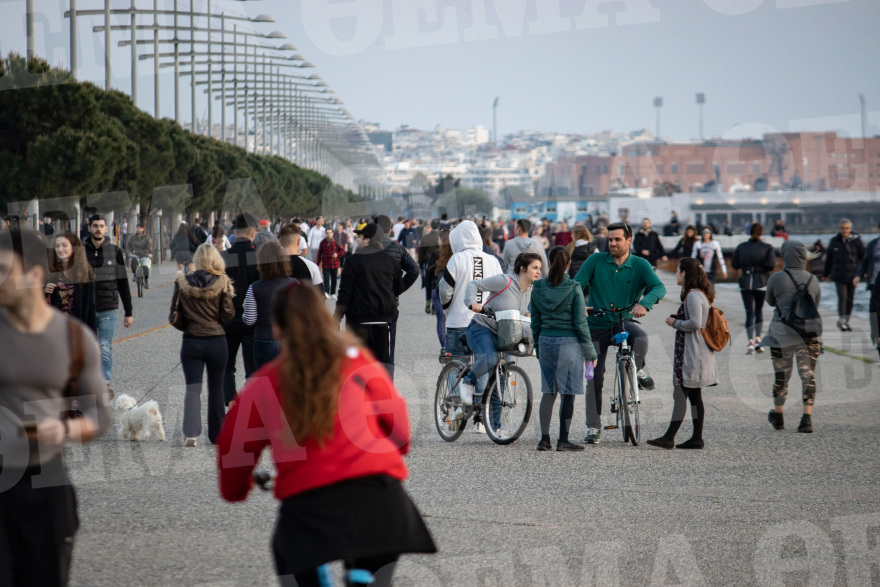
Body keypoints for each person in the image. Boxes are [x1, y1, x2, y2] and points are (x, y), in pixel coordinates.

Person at [217, 281, 436, 586]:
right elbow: (398, 423)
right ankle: (361, 578)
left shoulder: (264, 382)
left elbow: (234, 446)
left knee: (293, 562)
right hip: (381, 499)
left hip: (310, 506)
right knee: (372, 566)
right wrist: (392, 453)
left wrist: (236, 488)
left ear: (278, 329)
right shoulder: (358, 360)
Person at [0, 228, 109, 587]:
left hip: (47, 484)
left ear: (33, 276)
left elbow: (100, 418)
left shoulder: (76, 339)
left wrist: (63, 429)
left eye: (4, 270)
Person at [573, 222, 666, 444]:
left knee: (641, 338)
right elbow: (576, 285)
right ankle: (593, 427)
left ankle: (639, 369)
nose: (612, 243)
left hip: (623, 322)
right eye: (610, 239)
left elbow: (659, 287)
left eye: (617, 239)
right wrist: (579, 303)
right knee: (595, 378)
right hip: (596, 324)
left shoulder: (640, 264)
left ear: (628, 241)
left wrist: (645, 303)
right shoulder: (596, 260)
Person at [461, 253, 543, 430]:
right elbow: (474, 285)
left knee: (502, 378)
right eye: (535, 267)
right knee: (490, 359)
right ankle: (468, 380)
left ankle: (496, 427)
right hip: (481, 328)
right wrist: (472, 303)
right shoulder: (505, 281)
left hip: (506, 335)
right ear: (522, 268)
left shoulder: (529, 290)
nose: (539, 271)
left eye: (540, 268)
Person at [531, 247, 598, 452]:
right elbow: (580, 323)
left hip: (546, 341)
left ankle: (544, 439)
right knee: (568, 394)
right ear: (568, 263)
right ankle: (563, 439)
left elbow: (535, 323)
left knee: (548, 392)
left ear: (549, 261)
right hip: (569, 344)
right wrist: (590, 353)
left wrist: (538, 347)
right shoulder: (573, 287)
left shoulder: (538, 287)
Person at [647, 257, 718, 450]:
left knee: (680, 394)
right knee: (695, 395)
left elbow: (695, 323)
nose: (676, 275)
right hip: (696, 352)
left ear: (685, 273)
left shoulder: (694, 296)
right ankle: (696, 438)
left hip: (692, 354)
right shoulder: (699, 294)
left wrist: (675, 323)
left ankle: (669, 437)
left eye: (678, 271)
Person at [172, 244, 235, 446]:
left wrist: (190, 325)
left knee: (193, 388)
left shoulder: (183, 282)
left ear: (197, 259)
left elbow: (174, 314)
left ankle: (191, 433)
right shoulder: (222, 282)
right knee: (216, 388)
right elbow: (227, 315)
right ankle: (217, 434)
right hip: (217, 341)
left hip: (191, 341)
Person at [763, 241, 822, 433]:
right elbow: (815, 306)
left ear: (785, 256)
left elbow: (771, 301)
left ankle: (779, 416)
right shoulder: (813, 279)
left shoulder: (776, 278)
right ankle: (807, 419)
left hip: (781, 335)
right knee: (808, 376)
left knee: (782, 376)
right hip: (808, 336)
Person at [334, 223, 403, 369]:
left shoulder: (353, 261)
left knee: (356, 369)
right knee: (380, 370)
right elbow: (398, 288)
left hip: (357, 325)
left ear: (368, 239)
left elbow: (345, 293)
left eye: (360, 236)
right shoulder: (391, 261)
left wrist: (337, 317)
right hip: (382, 324)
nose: (357, 240)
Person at [439, 220, 503, 369]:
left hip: (457, 321)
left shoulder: (456, 259)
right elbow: (501, 290)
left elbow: (444, 289)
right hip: (485, 324)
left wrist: (447, 308)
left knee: (455, 369)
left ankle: (457, 393)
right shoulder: (492, 260)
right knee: (482, 371)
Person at [84, 214, 133, 385]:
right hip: (86, 307)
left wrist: (129, 312)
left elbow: (123, 282)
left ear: (106, 229)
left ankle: (104, 381)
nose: (98, 229)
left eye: (101, 226)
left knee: (105, 346)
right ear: (89, 228)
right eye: (95, 225)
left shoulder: (115, 251)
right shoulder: (80, 252)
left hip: (107, 307)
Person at [220, 212, 261, 406]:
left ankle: (230, 400)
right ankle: (251, 403)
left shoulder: (223, 257)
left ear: (234, 232)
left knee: (227, 365)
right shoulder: (258, 257)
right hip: (253, 319)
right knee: (252, 367)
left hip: (228, 318)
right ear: (253, 232)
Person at [373, 215, 420, 376]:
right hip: (389, 305)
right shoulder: (397, 248)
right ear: (390, 230)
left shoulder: (364, 249)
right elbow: (414, 270)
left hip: (367, 305)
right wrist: (398, 289)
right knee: (388, 351)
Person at [243, 242, 295, 370]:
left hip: (263, 340)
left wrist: (245, 309)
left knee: (265, 384)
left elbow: (249, 320)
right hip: (289, 340)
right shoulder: (294, 285)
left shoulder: (254, 287)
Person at [730, 223, 776, 354]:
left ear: (749, 232)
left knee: (749, 312)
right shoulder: (767, 247)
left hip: (745, 282)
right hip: (761, 282)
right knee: (758, 312)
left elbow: (735, 264)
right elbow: (770, 265)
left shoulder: (741, 247)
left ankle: (750, 341)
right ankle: (758, 340)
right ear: (761, 233)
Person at [46, 231, 97, 333]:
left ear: (73, 247)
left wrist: (94, 337)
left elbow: (91, 307)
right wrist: (44, 290)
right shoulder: (49, 271)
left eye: (64, 245)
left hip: (77, 328)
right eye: (57, 246)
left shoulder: (84, 273)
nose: (60, 249)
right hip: (55, 328)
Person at [822, 218, 865, 332]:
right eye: (843, 228)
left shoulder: (857, 241)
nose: (845, 231)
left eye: (847, 228)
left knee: (850, 300)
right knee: (842, 298)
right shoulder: (834, 241)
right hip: (839, 275)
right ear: (839, 229)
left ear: (850, 229)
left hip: (853, 275)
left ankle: (846, 321)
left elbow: (863, 257)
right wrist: (825, 274)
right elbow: (829, 259)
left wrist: (863, 272)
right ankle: (842, 321)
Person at [425, 229, 452, 352]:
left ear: (441, 240)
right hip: (453, 291)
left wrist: (428, 297)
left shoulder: (435, 254)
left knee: (441, 319)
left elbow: (428, 276)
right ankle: (453, 344)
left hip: (437, 290)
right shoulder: (456, 254)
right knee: (453, 319)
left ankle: (444, 346)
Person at [277, 224, 323, 294]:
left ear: (280, 242)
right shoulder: (312, 267)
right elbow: (320, 297)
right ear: (299, 241)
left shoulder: (272, 266)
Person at [857, 221, 880, 358]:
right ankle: (877, 335)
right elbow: (864, 262)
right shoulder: (873, 245)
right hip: (874, 282)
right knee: (876, 308)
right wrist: (858, 275)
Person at [418, 220, 441, 314]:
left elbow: (421, 252)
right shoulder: (440, 237)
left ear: (431, 226)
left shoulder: (425, 237)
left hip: (428, 263)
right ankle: (435, 306)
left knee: (428, 283)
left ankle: (428, 300)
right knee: (436, 283)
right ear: (439, 226)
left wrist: (420, 264)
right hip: (439, 263)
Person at [317, 227, 345, 300]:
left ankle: (333, 293)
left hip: (335, 264)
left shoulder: (336, 242)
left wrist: (337, 255)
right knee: (326, 279)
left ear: (332, 234)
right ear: (325, 234)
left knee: (334, 279)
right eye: (327, 233)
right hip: (326, 264)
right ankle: (326, 292)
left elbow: (342, 251)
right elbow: (319, 253)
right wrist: (318, 263)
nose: (328, 234)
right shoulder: (322, 242)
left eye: (330, 233)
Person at [127, 224, 153, 289]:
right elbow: (128, 246)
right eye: (137, 228)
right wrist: (131, 251)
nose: (138, 229)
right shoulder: (132, 237)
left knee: (145, 267)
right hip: (136, 254)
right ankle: (135, 274)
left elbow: (150, 247)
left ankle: (146, 281)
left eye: (139, 228)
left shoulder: (147, 238)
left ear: (143, 229)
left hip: (145, 255)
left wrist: (150, 253)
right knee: (133, 259)